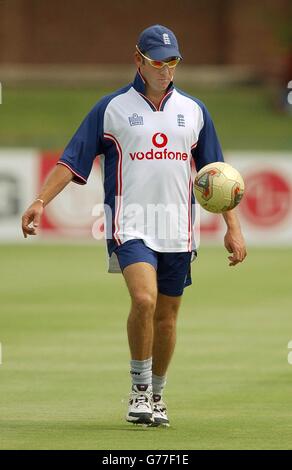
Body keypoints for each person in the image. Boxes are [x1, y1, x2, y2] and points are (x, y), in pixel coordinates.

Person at [22, 24, 247, 427]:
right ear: (139, 61)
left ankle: (158, 396)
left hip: (179, 228)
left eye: (172, 62)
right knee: (144, 300)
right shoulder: (112, 108)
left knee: (167, 316)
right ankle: (139, 391)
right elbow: (72, 159)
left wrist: (233, 227)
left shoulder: (194, 111)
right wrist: (40, 200)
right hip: (130, 224)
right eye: (158, 62)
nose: (166, 70)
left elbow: (217, 173)